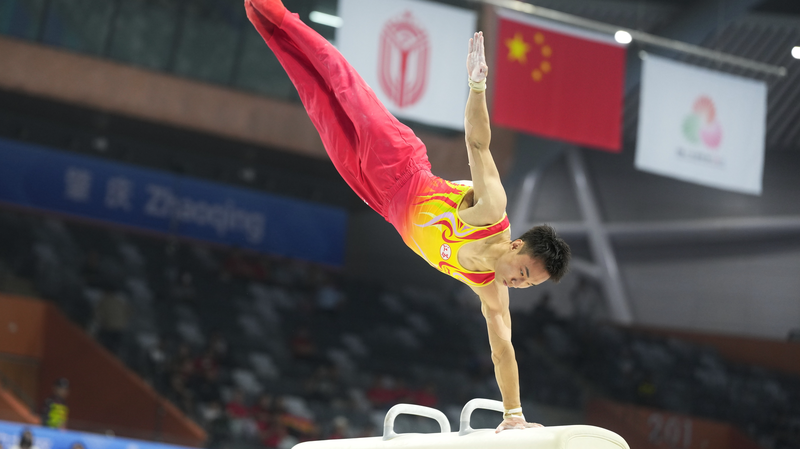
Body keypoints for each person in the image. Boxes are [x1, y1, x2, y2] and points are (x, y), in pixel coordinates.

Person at [244, 0, 571, 432]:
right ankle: (282, 15)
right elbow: (478, 144)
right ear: (516, 246)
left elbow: (503, 349)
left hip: (378, 199)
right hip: (399, 163)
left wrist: (514, 415)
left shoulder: (490, 292)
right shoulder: (491, 212)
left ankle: (265, 25)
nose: (520, 282)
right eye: (526, 271)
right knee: (343, 84)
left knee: (317, 102)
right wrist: (476, 89)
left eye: (529, 284)